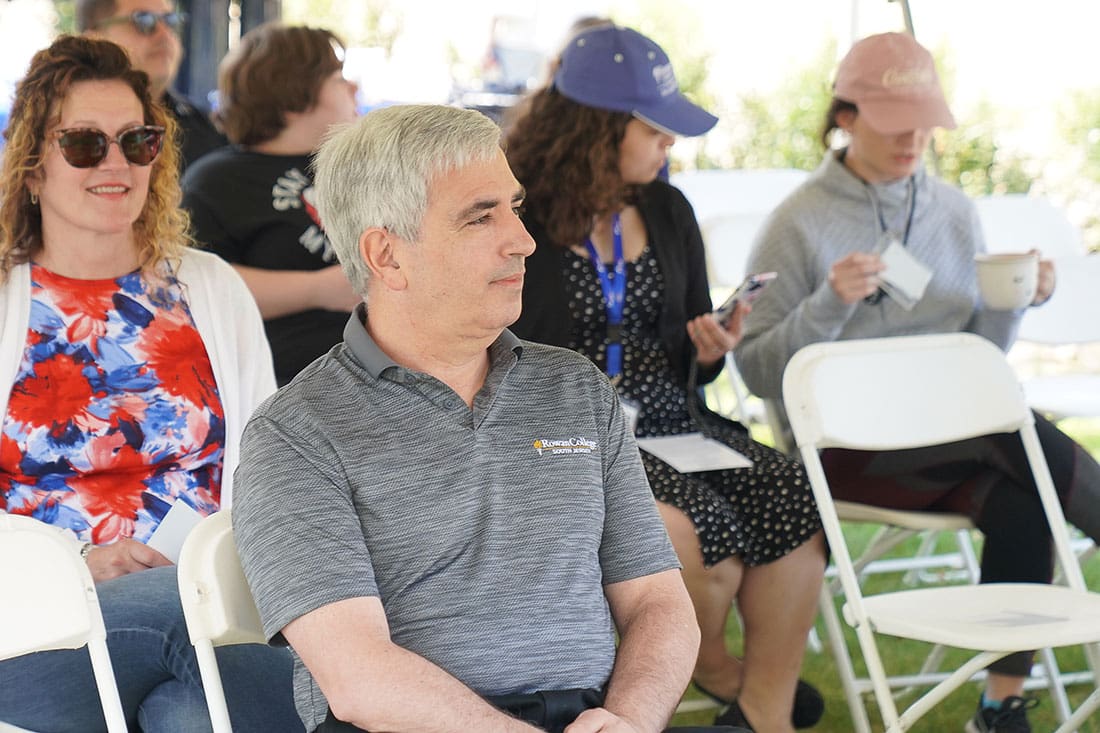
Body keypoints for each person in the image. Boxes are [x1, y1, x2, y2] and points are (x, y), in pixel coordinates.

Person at [230, 103, 745, 733]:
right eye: (480, 217)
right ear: (387, 256)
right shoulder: (296, 434)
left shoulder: (576, 388)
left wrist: (629, 719)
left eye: (515, 207)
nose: (523, 240)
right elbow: (358, 676)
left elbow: (658, 602)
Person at [733, 31, 1100, 733]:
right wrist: (829, 305)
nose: (914, 139)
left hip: (959, 436)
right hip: (845, 450)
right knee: (1015, 438)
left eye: (925, 123)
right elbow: (755, 371)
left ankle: (998, 706)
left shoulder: (955, 214)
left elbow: (978, 356)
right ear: (845, 116)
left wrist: (1010, 302)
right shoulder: (797, 221)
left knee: (1022, 496)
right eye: (896, 122)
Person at [506, 25, 827, 733]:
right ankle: (708, 664)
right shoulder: (517, 213)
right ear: (599, 126)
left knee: (792, 493)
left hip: (670, 415)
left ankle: (762, 713)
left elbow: (691, 351)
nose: (668, 145)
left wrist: (710, 345)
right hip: (569, 429)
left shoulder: (666, 209)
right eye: (655, 129)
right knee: (693, 529)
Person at [0, 35, 301, 732]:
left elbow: (268, 464)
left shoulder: (211, 286)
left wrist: (198, 558)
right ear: (34, 167)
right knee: (188, 621)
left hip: (210, 600)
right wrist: (79, 558)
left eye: (138, 141)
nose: (115, 163)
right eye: (83, 144)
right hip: (34, 620)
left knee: (192, 713)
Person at [181, 22, 360, 386]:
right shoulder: (216, 181)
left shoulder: (356, 166)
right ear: (295, 97)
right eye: (338, 78)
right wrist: (320, 289)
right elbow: (194, 285)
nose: (352, 88)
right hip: (283, 387)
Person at [78, 0, 228, 171]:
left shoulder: (207, 132)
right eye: (143, 20)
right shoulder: (66, 132)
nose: (164, 34)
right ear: (94, 39)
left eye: (170, 20)